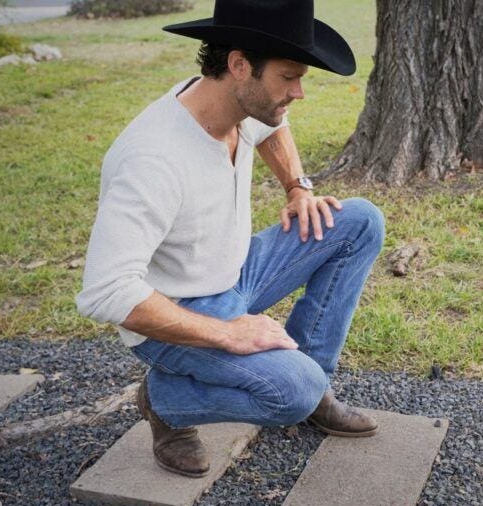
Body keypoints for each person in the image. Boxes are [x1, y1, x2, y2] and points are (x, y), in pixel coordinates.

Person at [76, 0, 385, 478]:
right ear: (240, 65)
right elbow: (106, 292)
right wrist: (227, 333)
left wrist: (297, 187)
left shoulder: (235, 99)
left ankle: (312, 380)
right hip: (178, 308)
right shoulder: (152, 160)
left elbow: (271, 125)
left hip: (236, 270)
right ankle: (164, 402)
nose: (298, 92)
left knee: (359, 221)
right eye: (289, 77)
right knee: (291, 394)